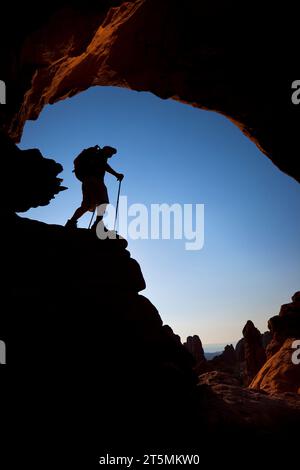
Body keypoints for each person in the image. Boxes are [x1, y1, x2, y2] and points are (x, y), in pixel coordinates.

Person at [65, 145, 124, 230]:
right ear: (107, 151)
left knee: (86, 204)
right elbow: (105, 166)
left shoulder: (94, 155)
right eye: (111, 153)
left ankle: (71, 222)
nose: (111, 156)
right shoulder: (100, 156)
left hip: (86, 181)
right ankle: (97, 224)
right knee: (103, 201)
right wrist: (116, 174)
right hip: (95, 181)